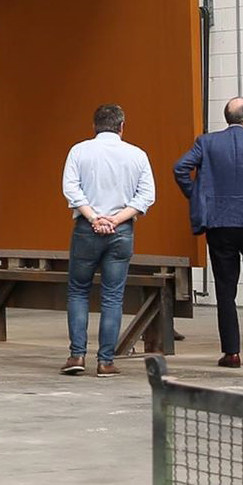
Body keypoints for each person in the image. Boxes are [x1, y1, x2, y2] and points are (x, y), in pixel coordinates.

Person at [174, 97, 243, 368]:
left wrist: (199, 195)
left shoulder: (206, 142)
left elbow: (180, 168)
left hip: (219, 224)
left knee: (225, 290)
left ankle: (231, 353)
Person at [60, 104, 156, 377]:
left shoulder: (79, 151)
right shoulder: (137, 155)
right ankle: (105, 361)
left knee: (78, 290)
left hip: (86, 229)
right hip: (121, 231)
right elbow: (147, 195)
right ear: (122, 126)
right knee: (113, 296)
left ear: (94, 126)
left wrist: (93, 218)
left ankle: (77, 355)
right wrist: (116, 219)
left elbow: (71, 188)